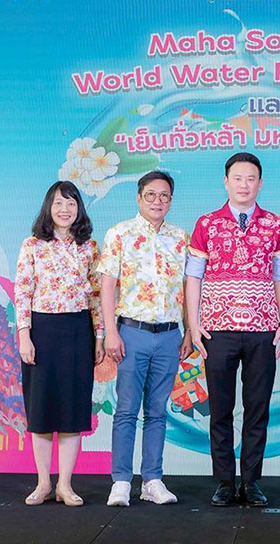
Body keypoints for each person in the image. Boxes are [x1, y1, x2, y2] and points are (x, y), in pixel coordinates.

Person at [185, 152, 280, 507]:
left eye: (251, 179)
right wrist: (194, 323)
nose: (244, 185)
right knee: (220, 409)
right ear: (225, 182)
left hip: (263, 329)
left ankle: (251, 482)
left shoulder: (275, 224)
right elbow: (194, 277)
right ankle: (224, 482)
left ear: (260, 183)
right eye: (237, 178)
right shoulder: (207, 223)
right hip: (217, 329)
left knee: (257, 408)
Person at [98, 171, 191, 507]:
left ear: (171, 201)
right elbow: (107, 286)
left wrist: (189, 330)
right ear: (139, 198)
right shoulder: (119, 234)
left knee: (157, 411)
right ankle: (121, 481)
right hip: (131, 332)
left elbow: (188, 288)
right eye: (150, 195)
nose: (157, 201)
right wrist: (111, 332)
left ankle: (152, 480)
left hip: (168, 335)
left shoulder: (181, 238)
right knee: (126, 409)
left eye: (164, 196)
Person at [15, 180, 105, 507]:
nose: (64, 209)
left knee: (72, 410)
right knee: (41, 410)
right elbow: (22, 291)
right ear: (48, 208)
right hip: (42, 330)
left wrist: (99, 337)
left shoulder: (89, 247)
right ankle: (43, 483)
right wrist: (24, 335)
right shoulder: (32, 245)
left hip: (78, 331)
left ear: (79, 208)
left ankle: (65, 485)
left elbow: (96, 295)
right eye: (58, 203)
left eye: (71, 203)